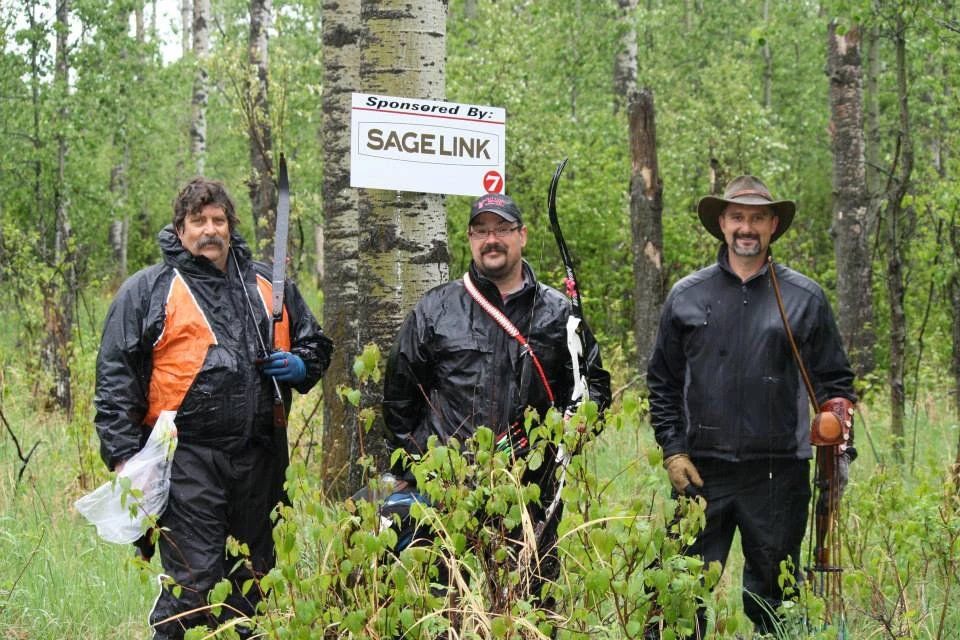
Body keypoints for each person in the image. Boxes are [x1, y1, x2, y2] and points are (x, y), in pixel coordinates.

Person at [93, 177, 332, 639]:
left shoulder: (267, 285)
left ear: (230, 225)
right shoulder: (149, 289)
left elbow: (316, 343)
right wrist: (123, 458)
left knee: (252, 583)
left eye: (218, 220)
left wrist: (301, 364)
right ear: (180, 228)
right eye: (198, 220)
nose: (209, 230)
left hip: (260, 458)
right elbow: (115, 379)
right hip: (186, 459)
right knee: (194, 584)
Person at [646, 175, 856, 635]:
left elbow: (835, 383)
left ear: (773, 225)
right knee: (678, 597)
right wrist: (674, 451)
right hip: (701, 472)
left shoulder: (804, 297)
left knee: (775, 601)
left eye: (757, 218)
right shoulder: (687, 295)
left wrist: (839, 442)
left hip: (779, 473)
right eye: (737, 217)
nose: (747, 227)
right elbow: (662, 383)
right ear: (722, 223)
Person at [382, 191, 611, 598]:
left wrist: (577, 424)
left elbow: (592, 384)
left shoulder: (558, 313)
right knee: (442, 605)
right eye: (481, 230)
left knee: (528, 605)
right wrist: (420, 467)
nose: (492, 239)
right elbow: (399, 394)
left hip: (529, 491)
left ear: (522, 235)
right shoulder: (437, 308)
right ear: (470, 239)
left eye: (502, 229)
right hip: (447, 491)